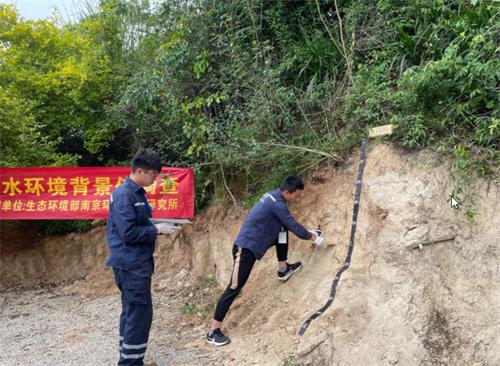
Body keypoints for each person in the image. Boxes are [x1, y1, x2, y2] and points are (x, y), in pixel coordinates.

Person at [207, 175, 325, 346]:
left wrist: (308, 231)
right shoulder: (277, 203)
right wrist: (313, 237)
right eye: (296, 195)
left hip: (256, 244)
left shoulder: (274, 197)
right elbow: (293, 224)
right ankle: (213, 331)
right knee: (234, 287)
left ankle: (283, 268)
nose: (296, 199)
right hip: (245, 249)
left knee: (282, 231)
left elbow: (287, 224)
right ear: (286, 191)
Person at [106, 149, 174, 366]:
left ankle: (129, 358)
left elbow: (137, 223)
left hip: (136, 263)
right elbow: (128, 233)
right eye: (154, 175)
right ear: (141, 171)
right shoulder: (124, 194)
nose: (155, 179)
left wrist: (154, 225)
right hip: (131, 264)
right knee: (139, 314)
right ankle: (130, 363)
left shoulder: (136, 193)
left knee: (132, 311)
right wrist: (156, 230)